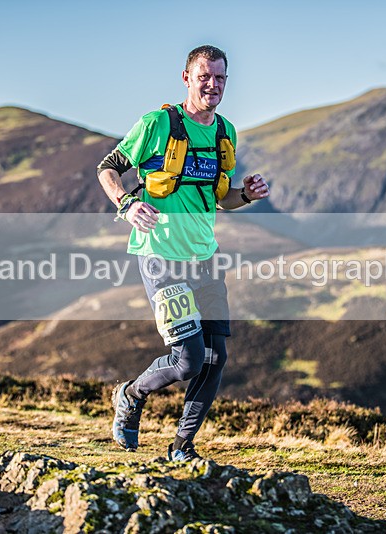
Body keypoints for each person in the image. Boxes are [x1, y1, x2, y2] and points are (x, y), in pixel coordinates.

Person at [97, 45, 270, 461]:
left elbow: (221, 198)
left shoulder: (225, 132)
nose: (213, 85)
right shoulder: (157, 124)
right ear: (187, 78)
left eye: (220, 78)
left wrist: (246, 194)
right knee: (188, 360)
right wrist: (127, 203)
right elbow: (108, 167)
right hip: (161, 256)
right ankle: (131, 395)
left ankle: (182, 447)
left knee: (216, 357)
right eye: (204, 76)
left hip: (205, 258)